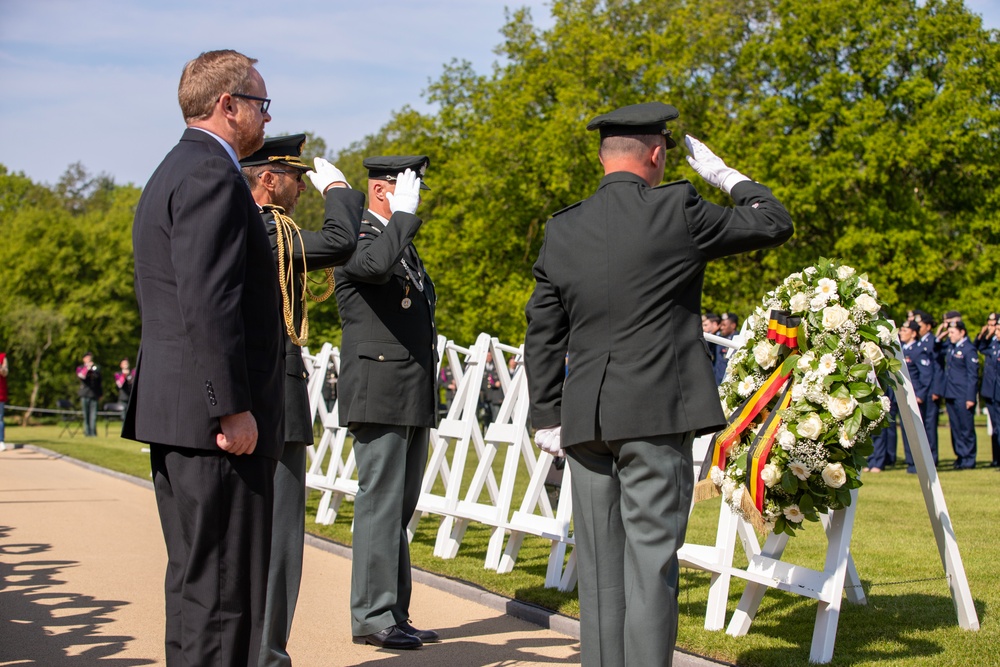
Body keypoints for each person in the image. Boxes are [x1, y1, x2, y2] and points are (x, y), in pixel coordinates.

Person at [524, 102, 793, 667]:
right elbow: (773, 221)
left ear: (603, 158)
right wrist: (729, 178)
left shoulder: (562, 227)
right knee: (650, 567)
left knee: (599, 571)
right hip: (652, 414)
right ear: (657, 153)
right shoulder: (679, 207)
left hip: (584, 421)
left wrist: (546, 414)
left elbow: (543, 332)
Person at [122, 49, 284, 667]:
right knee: (225, 593)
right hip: (215, 426)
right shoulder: (211, 175)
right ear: (228, 106)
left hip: (182, 414)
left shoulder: (173, 169)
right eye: (261, 105)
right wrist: (233, 408)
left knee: (198, 586)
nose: (267, 121)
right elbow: (210, 300)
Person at [240, 134, 364, 667]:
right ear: (267, 180)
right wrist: (338, 189)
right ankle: (265, 655)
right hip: (273, 399)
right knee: (277, 542)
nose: (299, 188)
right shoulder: (266, 227)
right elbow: (341, 242)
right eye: (293, 178)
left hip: (251, 397)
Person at [334, 155, 440, 650]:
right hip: (378, 390)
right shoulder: (357, 238)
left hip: (408, 389)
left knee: (399, 507)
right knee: (380, 504)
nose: (415, 198)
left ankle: (394, 609)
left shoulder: (398, 241)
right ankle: (373, 614)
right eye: (406, 189)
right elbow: (374, 268)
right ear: (382, 192)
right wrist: (403, 217)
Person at [943, 321, 979, 469]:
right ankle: (960, 456)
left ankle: (969, 459)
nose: (949, 335)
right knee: (956, 428)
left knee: (966, 428)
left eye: (952, 332)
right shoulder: (952, 347)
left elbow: (973, 376)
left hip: (963, 395)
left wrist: (971, 397)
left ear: (962, 332)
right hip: (951, 393)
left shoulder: (969, 349)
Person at [913, 309, 942, 469]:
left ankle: (932, 459)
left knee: (930, 426)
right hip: (923, 389)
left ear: (928, 326)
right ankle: (924, 459)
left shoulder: (932, 341)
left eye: (921, 325)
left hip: (930, 390)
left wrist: (936, 390)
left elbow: (936, 369)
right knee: (923, 426)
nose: (918, 328)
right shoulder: (920, 341)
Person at [975, 312, 1000, 467]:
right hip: (991, 391)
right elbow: (979, 347)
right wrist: (984, 333)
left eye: (996, 327)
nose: (995, 331)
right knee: (996, 427)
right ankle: (996, 458)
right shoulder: (993, 343)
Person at [76, 352, 103, 437]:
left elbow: (99, 381)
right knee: (86, 415)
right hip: (84, 394)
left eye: (90, 358)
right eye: (87, 358)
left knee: (93, 415)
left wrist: (100, 394)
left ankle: (93, 433)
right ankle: (87, 432)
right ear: (84, 359)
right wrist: (87, 368)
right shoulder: (80, 368)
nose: (89, 359)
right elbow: (82, 376)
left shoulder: (96, 368)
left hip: (94, 394)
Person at [713, 312, 738, 384]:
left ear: (733, 325)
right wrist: (714, 331)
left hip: (728, 381)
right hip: (716, 379)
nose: (721, 327)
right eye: (721, 325)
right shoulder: (718, 339)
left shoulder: (737, 339)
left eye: (724, 325)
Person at [0, 350, 8, 450]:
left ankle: (1, 441)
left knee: (0, 418)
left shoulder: (2, 357)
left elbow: (5, 373)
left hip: (0, 393)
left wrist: (1, 368)